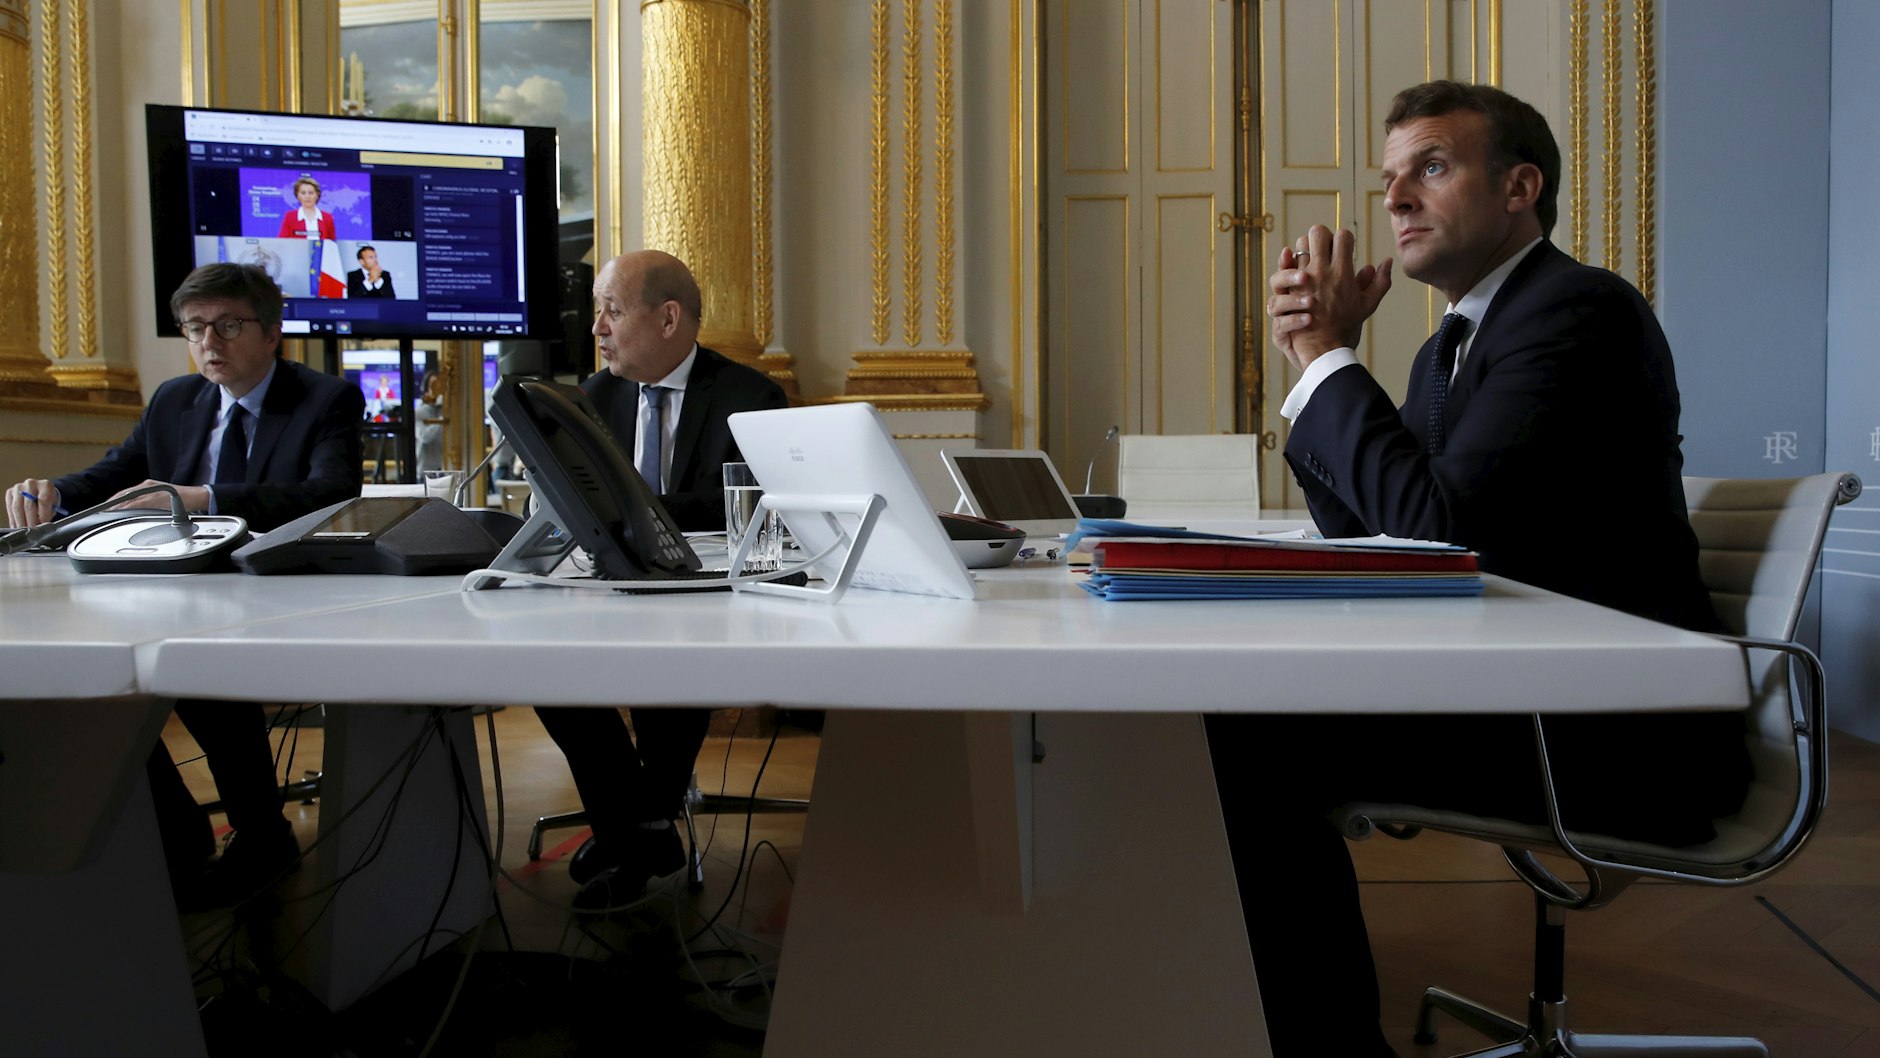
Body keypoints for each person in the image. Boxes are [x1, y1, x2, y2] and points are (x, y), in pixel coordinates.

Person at [1207, 81, 1749, 1057]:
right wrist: (1313, 360)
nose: (1396, 197)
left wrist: (1329, 354)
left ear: (1518, 187)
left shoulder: (1574, 313)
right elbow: (1381, 537)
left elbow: (1436, 531)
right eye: (1388, 178)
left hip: (1614, 737)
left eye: (1432, 166)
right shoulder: (1447, 351)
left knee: (1246, 739)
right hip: (1534, 697)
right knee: (1233, 719)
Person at [6, 262, 365, 909]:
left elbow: (329, 494)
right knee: (102, 678)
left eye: (228, 325)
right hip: (171, 585)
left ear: (272, 331)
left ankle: (261, 835)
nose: (210, 343)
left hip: (271, 592)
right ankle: (176, 836)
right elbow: (117, 474)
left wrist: (203, 499)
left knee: (195, 674)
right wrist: (55, 491)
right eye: (196, 328)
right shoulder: (176, 399)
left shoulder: (323, 398)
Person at [534, 249, 787, 909]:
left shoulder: (749, 397)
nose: (597, 329)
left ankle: (632, 835)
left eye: (611, 311)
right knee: (545, 670)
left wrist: (630, 509)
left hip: (704, 595)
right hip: (605, 587)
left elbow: (736, 508)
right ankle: (637, 828)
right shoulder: (594, 397)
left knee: (672, 663)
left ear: (668, 318)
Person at [276, 176, 336, 242]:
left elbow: (332, 244)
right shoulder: (290, 217)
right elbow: (282, 242)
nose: (307, 197)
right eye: (303, 193)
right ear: (297, 196)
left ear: (317, 195)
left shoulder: (327, 218)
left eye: (311, 193)